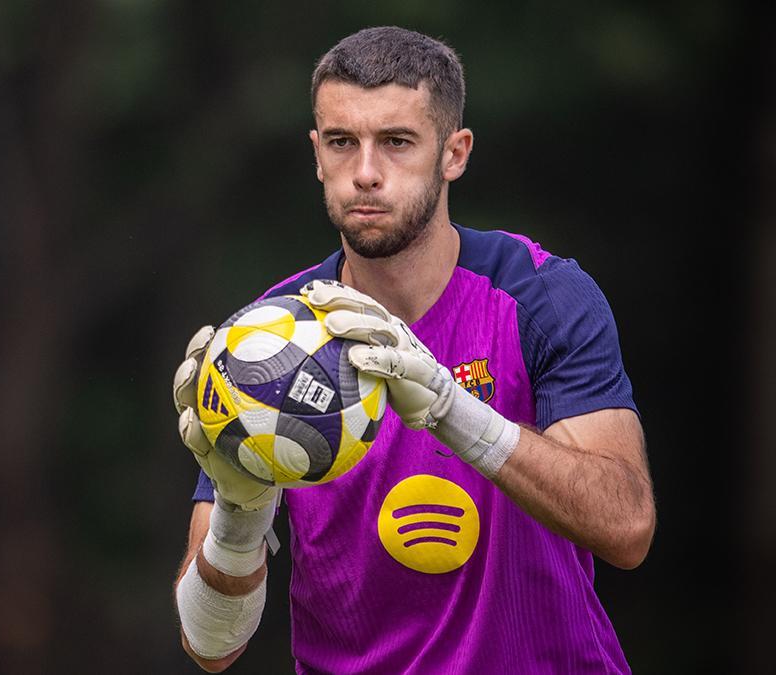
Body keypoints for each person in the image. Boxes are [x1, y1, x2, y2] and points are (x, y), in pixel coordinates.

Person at [171, 26, 656, 674]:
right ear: (317, 154)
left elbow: (626, 526)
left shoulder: (541, 296)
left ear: (454, 153)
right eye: (343, 143)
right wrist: (238, 510)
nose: (366, 173)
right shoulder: (268, 342)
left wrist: (453, 408)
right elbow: (208, 645)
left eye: (397, 142)